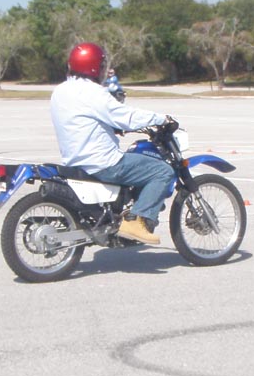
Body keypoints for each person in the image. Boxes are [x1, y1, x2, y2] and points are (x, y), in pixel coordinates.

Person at [50, 41, 176, 245]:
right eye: (101, 66)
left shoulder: (61, 91)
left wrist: (110, 128)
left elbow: (81, 119)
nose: (103, 70)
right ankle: (136, 221)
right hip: (103, 163)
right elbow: (125, 116)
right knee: (163, 172)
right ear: (94, 67)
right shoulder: (92, 92)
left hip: (74, 161)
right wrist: (161, 119)